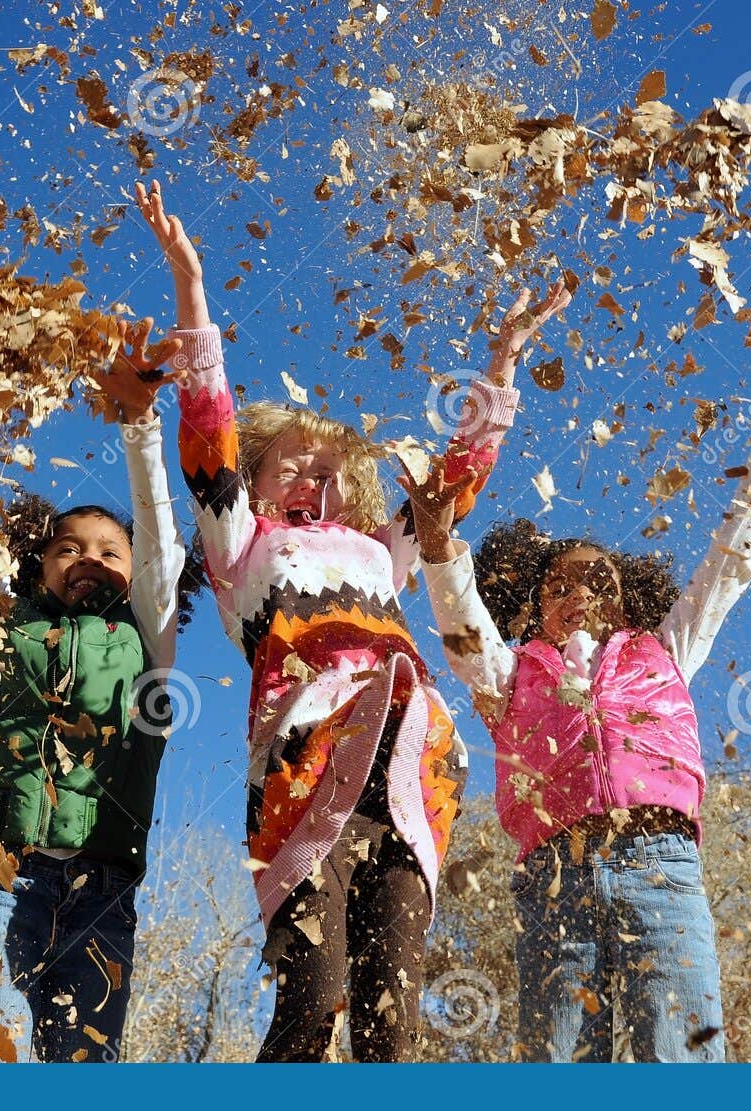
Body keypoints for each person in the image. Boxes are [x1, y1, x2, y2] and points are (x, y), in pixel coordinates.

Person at [133, 177, 572, 1060]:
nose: (310, 479)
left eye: (328, 467)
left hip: (412, 768)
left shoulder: (381, 552)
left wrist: (499, 369)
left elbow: (452, 486)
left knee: (392, 1019)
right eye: (291, 462)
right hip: (304, 765)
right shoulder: (241, 543)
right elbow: (209, 433)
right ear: (256, 477)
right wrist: (191, 289)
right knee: (316, 997)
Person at [403, 347, 751, 1061]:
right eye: (558, 585)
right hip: (554, 873)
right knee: (560, 1058)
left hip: (661, 862)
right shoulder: (511, 675)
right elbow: (462, 623)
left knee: (680, 1049)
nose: (578, 594)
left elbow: (729, 564)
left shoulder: (666, 648)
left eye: (597, 582)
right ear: (533, 610)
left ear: (627, 597)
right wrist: (439, 545)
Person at [0, 318, 194, 1062]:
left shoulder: (145, 638)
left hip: (103, 887)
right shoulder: (2, 624)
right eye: (68, 548)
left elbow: (158, 537)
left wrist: (141, 425)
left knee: (83, 1058)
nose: (88, 557)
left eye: (109, 551)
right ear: (38, 566)